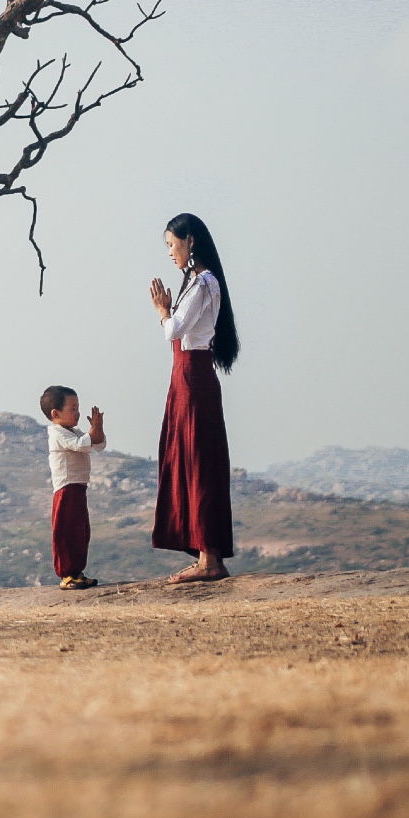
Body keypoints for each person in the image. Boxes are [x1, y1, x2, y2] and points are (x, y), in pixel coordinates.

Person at [149, 212, 241, 583]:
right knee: (190, 457)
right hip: (187, 375)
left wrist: (161, 312)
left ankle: (209, 558)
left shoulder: (203, 282)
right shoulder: (198, 282)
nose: (170, 253)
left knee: (197, 459)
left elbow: (175, 328)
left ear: (190, 241)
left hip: (192, 376)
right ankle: (206, 553)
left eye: (172, 245)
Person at [40, 385, 106, 590]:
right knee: (65, 531)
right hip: (66, 489)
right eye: (73, 409)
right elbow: (82, 445)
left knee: (80, 531)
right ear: (55, 413)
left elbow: (98, 444)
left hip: (78, 488)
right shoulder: (58, 433)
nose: (78, 413)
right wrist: (92, 430)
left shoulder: (74, 432)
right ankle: (66, 574)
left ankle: (77, 571)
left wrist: (98, 428)